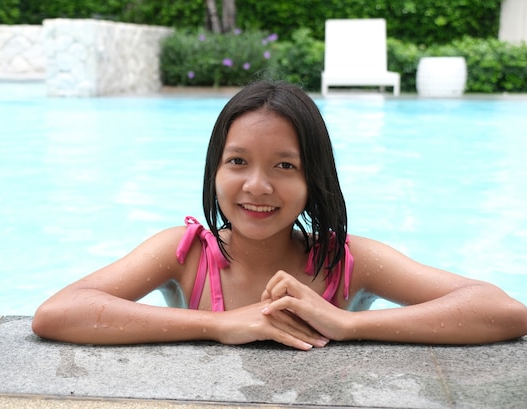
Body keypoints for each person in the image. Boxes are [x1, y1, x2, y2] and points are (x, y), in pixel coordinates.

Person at [32, 80, 527, 350]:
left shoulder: (348, 262)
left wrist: (346, 324)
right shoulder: (184, 255)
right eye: (238, 162)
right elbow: (58, 313)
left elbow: (503, 312)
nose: (257, 187)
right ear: (215, 169)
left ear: (315, 179)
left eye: (285, 166)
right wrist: (220, 325)